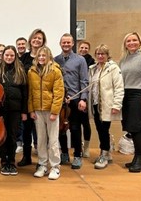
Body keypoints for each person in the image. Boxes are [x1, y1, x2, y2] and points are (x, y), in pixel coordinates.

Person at [28, 46, 64, 180]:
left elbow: (59, 93)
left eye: (44, 56)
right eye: (39, 56)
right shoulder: (31, 71)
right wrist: (31, 109)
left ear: (49, 56)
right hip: (38, 111)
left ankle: (55, 167)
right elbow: (30, 93)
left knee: (53, 140)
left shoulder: (55, 70)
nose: (41, 58)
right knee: (41, 139)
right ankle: (42, 164)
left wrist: (55, 111)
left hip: (51, 111)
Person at [54, 33, 88, 169]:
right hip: (60, 100)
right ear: (60, 44)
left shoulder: (80, 60)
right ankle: (64, 153)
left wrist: (83, 99)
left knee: (74, 128)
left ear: (73, 43)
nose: (66, 45)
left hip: (75, 99)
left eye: (68, 42)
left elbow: (84, 80)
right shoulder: (55, 60)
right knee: (61, 129)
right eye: (64, 42)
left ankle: (78, 155)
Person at [88, 44, 124, 169]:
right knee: (100, 129)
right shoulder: (93, 69)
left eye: (103, 54)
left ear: (107, 55)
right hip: (95, 104)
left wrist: (116, 104)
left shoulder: (113, 68)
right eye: (98, 54)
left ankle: (104, 153)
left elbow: (119, 87)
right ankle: (107, 153)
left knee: (104, 130)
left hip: (107, 105)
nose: (100, 56)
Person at [0, 45, 27, 176]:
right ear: (2, 56)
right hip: (0, 109)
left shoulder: (20, 70)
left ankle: (11, 162)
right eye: (7, 55)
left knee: (12, 136)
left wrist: (24, 111)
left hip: (15, 110)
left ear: (15, 56)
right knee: (2, 136)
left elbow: (25, 93)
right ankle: (3, 161)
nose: (9, 57)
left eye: (12, 55)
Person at [119, 32, 141, 173]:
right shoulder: (124, 59)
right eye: (128, 41)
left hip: (140, 94)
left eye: (134, 40)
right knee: (131, 127)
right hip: (126, 94)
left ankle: (140, 158)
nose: (131, 43)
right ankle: (137, 159)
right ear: (125, 44)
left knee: (137, 127)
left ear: (139, 41)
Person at [18, 29, 47, 167]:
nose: (37, 40)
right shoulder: (23, 58)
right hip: (26, 97)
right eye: (34, 38)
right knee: (26, 129)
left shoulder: (45, 57)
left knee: (41, 132)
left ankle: (42, 160)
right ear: (30, 40)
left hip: (41, 99)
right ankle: (27, 156)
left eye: (39, 38)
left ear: (43, 41)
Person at [77, 41, 95, 158]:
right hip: (74, 95)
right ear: (78, 48)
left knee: (85, 122)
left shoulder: (92, 63)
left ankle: (86, 147)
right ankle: (78, 146)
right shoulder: (74, 60)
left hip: (85, 95)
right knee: (75, 124)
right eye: (82, 47)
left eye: (86, 48)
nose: (84, 49)